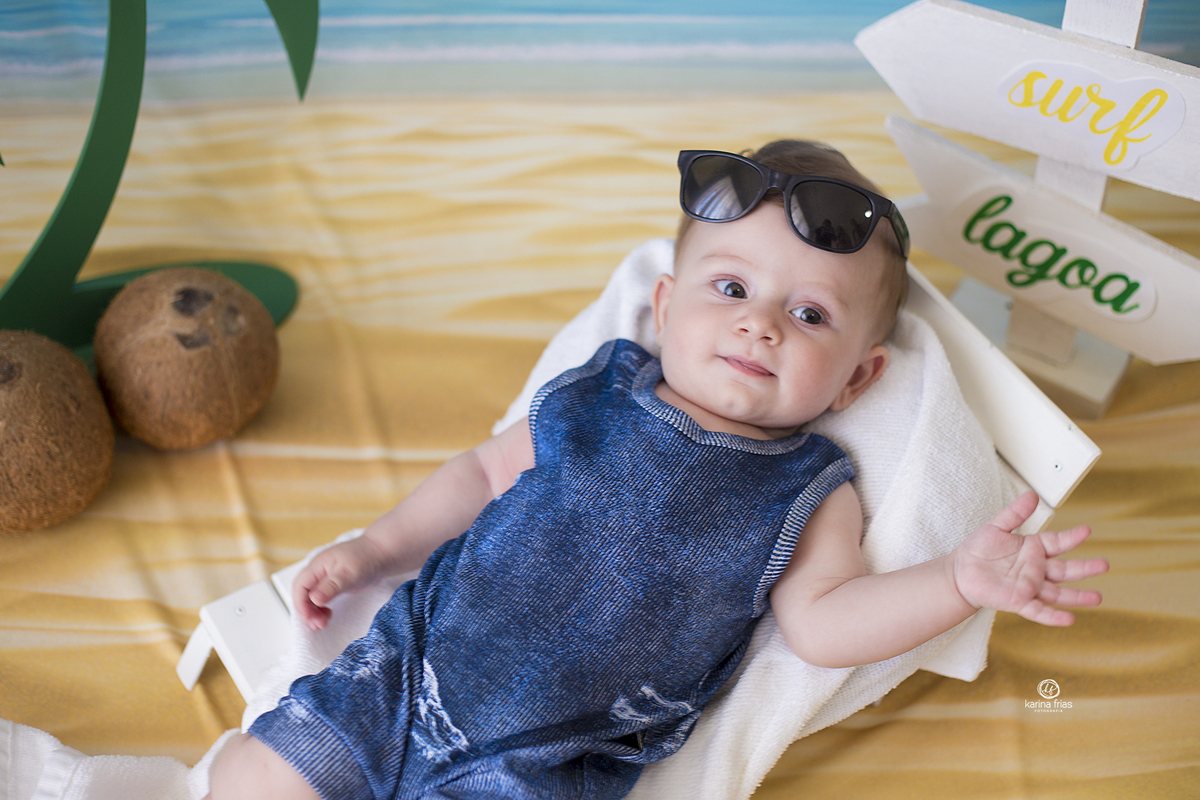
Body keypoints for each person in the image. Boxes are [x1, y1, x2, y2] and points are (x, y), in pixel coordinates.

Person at [207, 141, 1107, 800]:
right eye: (731, 290)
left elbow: (825, 627)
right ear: (666, 308)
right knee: (255, 774)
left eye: (810, 315)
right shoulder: (602, 390)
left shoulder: (807, 491)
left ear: (858, 379)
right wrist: (375, 549)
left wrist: (956, 580)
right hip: (409, 673)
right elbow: (482, 476)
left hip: (546, 759)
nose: (762, 326)